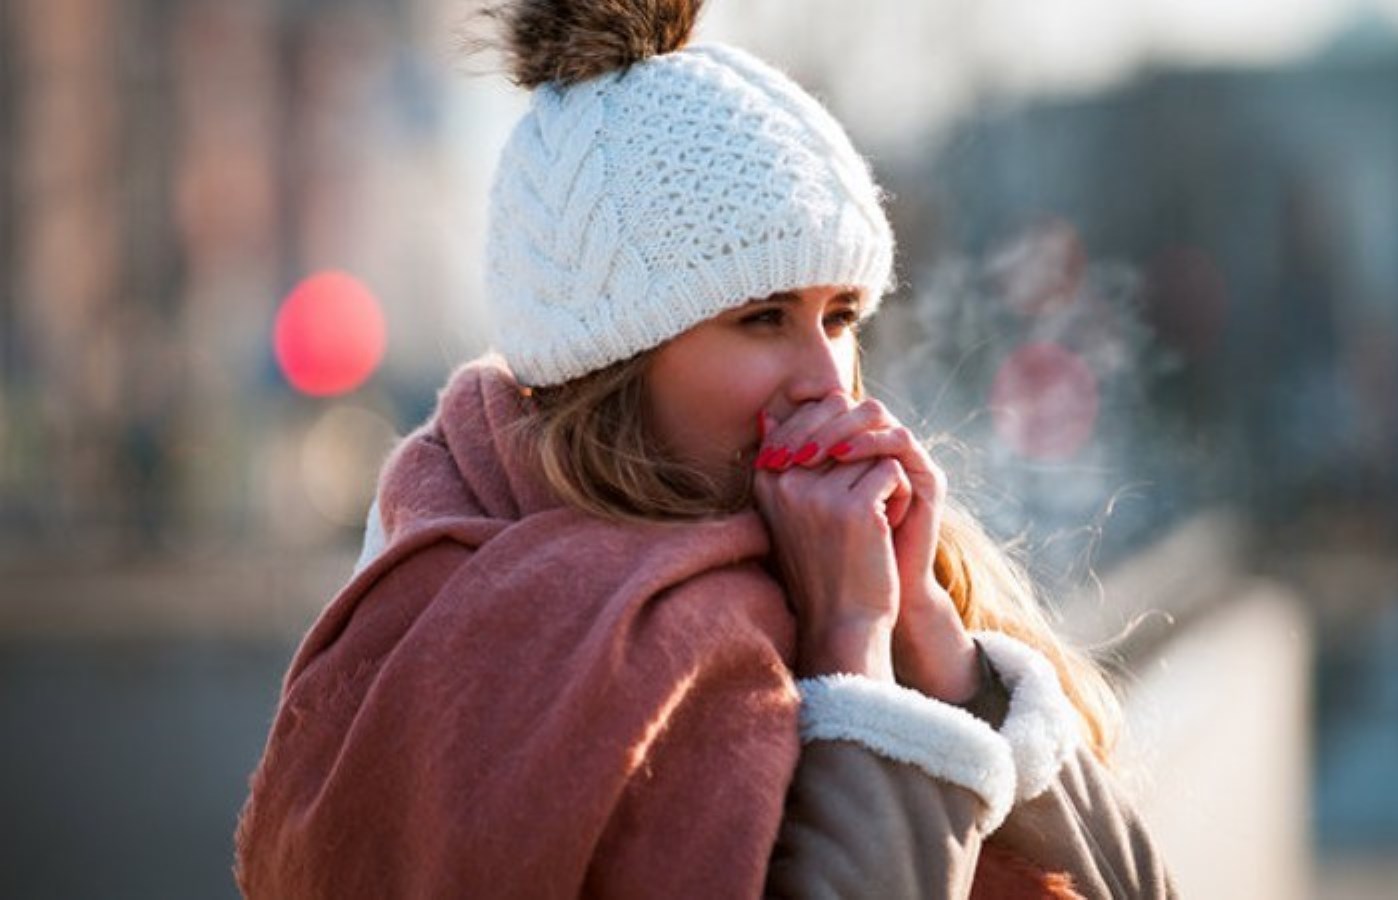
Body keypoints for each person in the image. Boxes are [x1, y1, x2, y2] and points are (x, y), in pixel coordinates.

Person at [234, 2, 1177, 897]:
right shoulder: (488, 617)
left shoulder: (885, 565)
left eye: (839, 315)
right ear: (614, 367)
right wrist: (853, 656)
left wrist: (935, 643)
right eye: (762, 318)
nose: (828, 379)